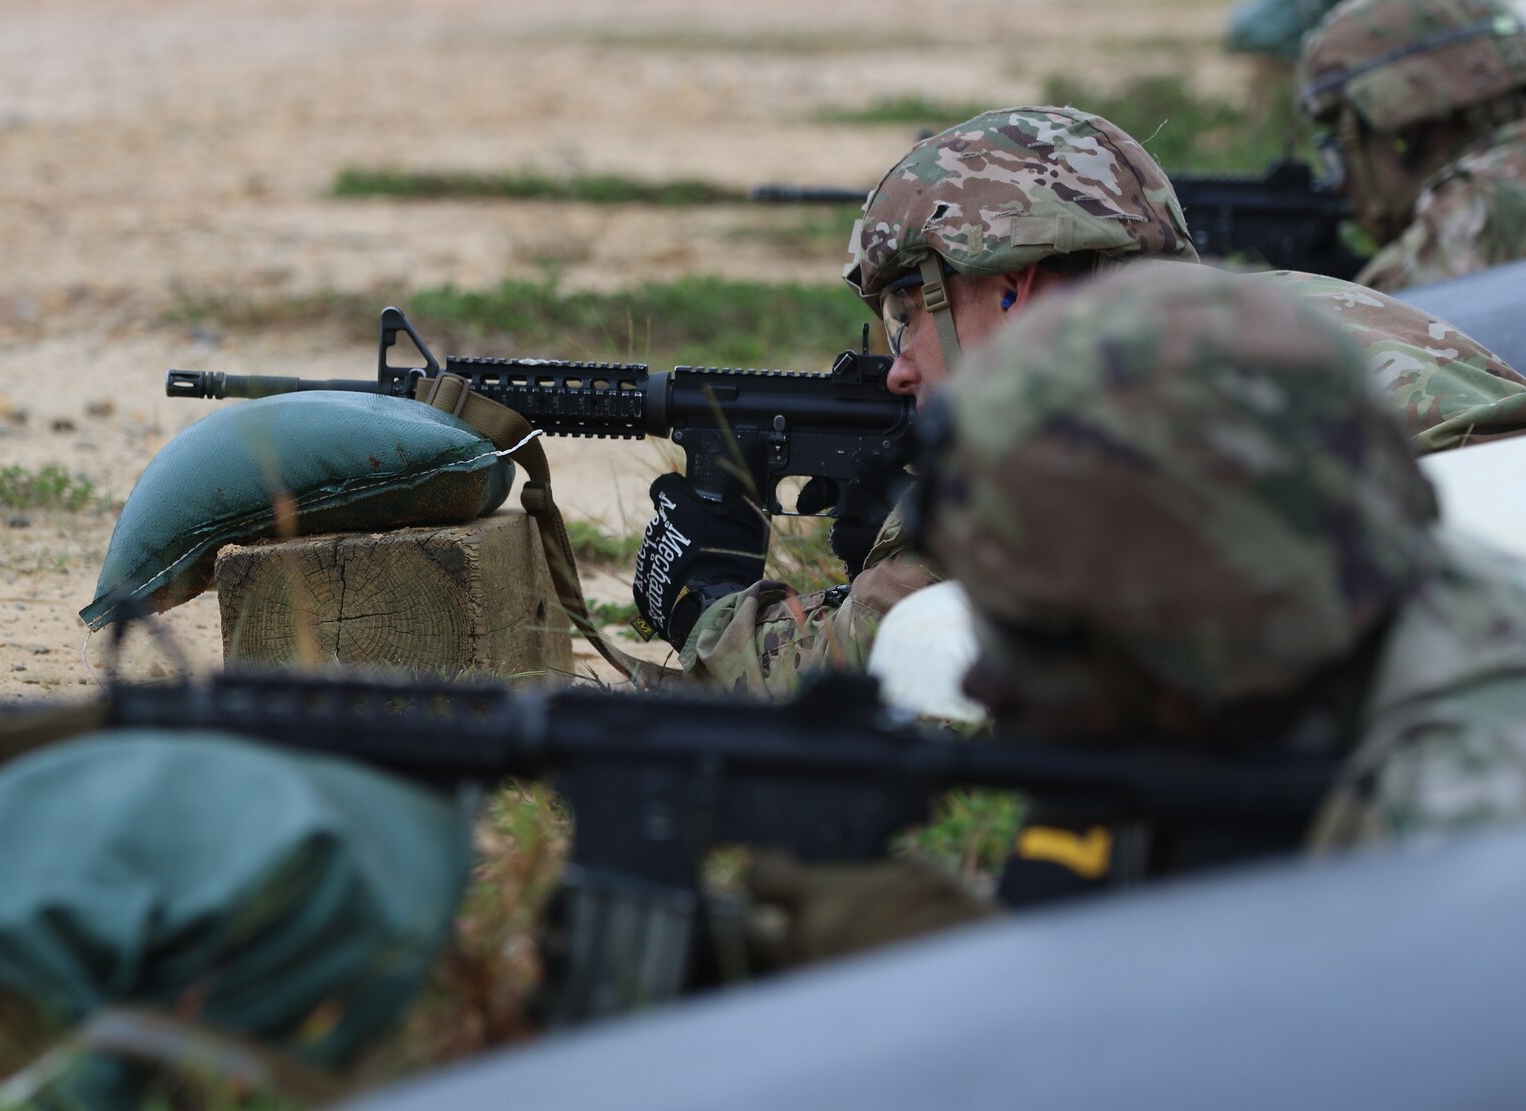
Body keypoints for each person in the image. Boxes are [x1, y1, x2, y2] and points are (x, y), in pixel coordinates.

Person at [634, 104, 1526, 695]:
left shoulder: (1070, 418)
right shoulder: (1313, 304)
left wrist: (706, 598)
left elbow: (837, 677)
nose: (899, 369)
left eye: (908, 312)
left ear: (1011, 286)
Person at [922, 262, 1526, 899]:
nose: (980, 683)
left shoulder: (1469, 817)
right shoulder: (1327, 609)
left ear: (1201, 636)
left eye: (1041, 639)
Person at [1299, 0, 1526, 290]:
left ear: (1405, 138)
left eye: (1340, 151)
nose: (1342, 186)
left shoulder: (1483, 204)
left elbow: (1370, 314)